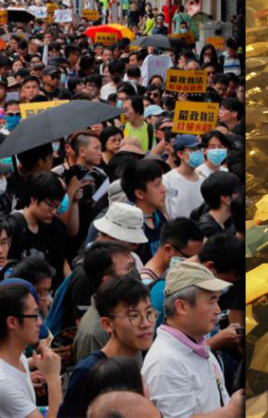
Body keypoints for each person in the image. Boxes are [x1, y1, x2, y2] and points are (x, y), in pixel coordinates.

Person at [141, 261, 242, 418]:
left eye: (217, 301)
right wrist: (231, 411)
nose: (218, 310)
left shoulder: (197, 344)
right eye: (211, 301)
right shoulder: (166, 361)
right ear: (182, 307)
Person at [61, 276, 156, 417]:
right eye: (134, 316)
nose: (146, 324)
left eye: (149, 313)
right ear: (107, 324)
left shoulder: (138, 357)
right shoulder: (87, 371)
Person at [0, 283, 62, 418]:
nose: (40, 322)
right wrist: (53, 377)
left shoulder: (15, 356)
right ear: (12, 322)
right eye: (34, 315)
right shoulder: (1, 384)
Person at [121, 159, 168, 262]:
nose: (164, 189)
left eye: (162, 183)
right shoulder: (130, 225)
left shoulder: (160, 216)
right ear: (140, 193)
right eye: (157, 185)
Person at [162, 134, 205, 221]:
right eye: (193, 149)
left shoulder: (203, 179)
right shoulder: (168, 180)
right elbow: (165, 210)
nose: (198, 152)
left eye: (199, 149)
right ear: (180, 154)